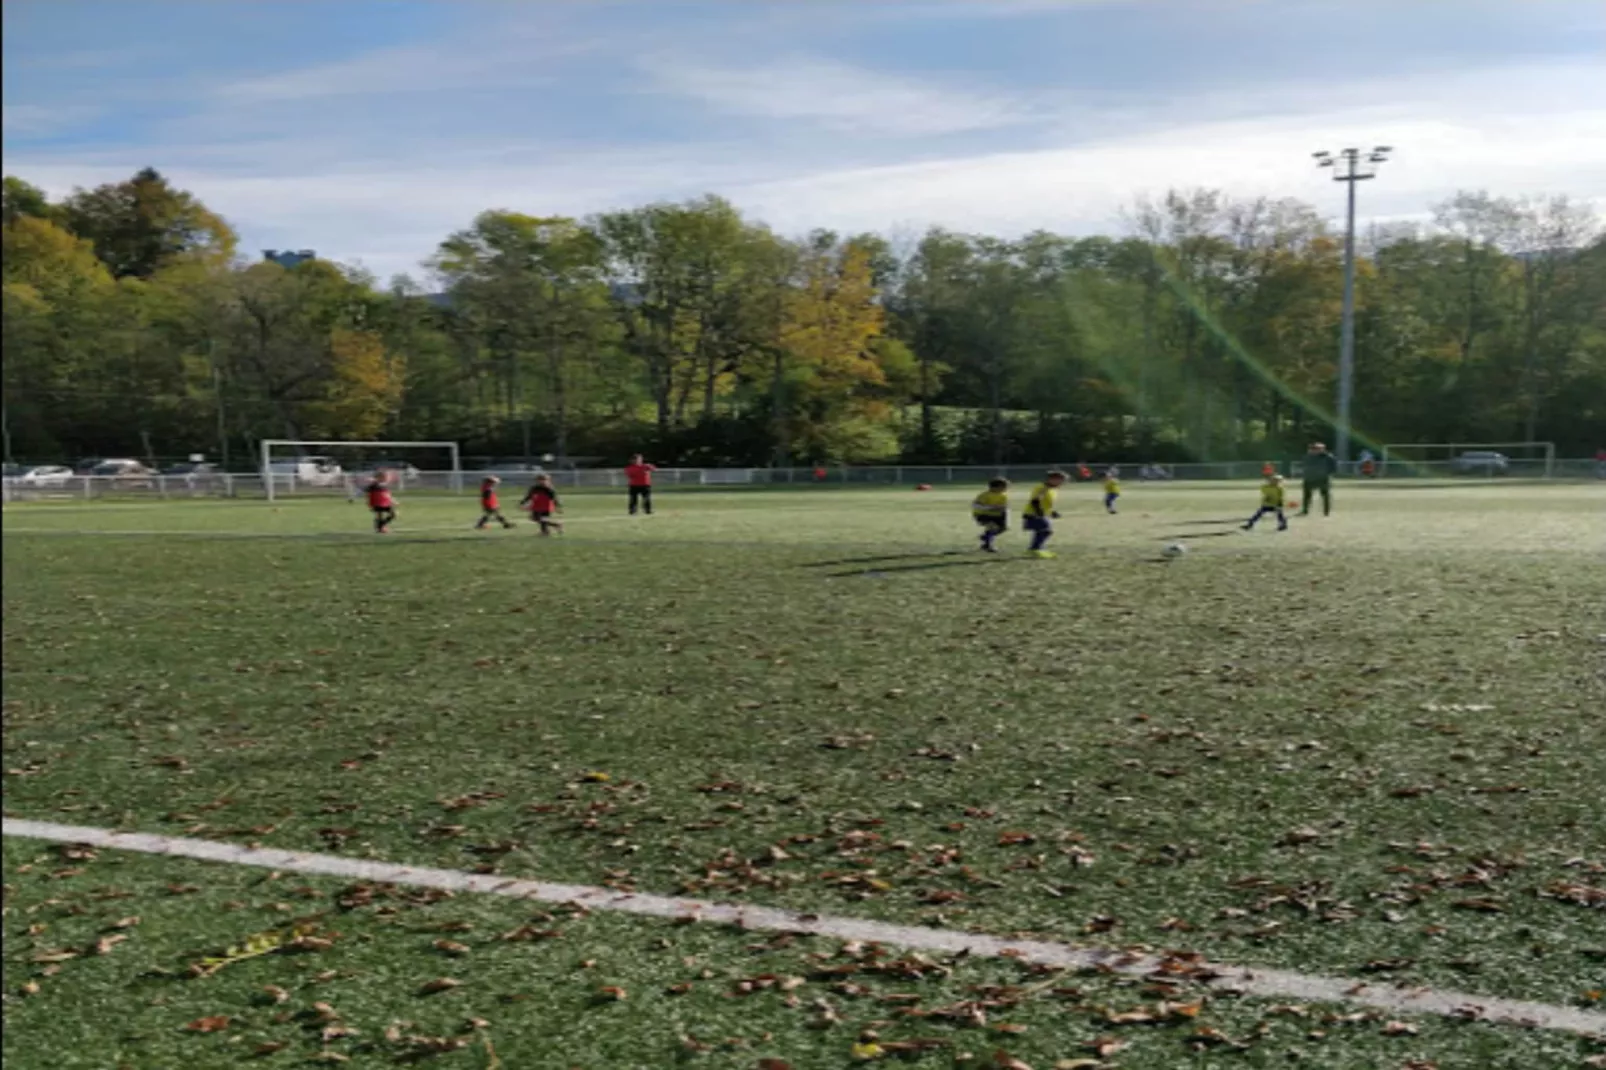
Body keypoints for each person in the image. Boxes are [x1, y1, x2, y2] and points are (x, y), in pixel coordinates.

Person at [1024, 470, 1068, 559]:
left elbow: (1046, 503)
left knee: (1042, 531)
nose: (1063, 483)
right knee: (1046, 531)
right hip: (1033, 513)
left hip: (1042, 514)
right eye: (1061, 480)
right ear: (1052, 479)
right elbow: (1035, 501)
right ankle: (1035, 549)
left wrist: (1052, 512)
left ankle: (1036, 549)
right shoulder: (1042, 487)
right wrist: (1039, 512)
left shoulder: (1053, 490)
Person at [971, 478, 1010, 553]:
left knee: (1003, 528)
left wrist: (1003, 509)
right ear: (995, 487)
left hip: (997, 516)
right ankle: (988, 545)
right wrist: (990, 507)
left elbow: (1004, 506)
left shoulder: (1003, 496)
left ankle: (985, 537)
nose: (1006, 489)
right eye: (1004, 487)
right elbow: (976, 505)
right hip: (983, 515)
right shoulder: (984, 495)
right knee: (992, 527)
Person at [1300, 441, 1337, 517]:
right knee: (1307, 495)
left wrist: (1327, 474)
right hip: (1309, 478)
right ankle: (1305, 510)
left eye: (1318, 448)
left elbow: (1333, 467)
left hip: (1323, 479)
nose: (1315, 450)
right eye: (1314, 448)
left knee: (1325, 495)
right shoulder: (1308, 456)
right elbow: (1305, 466)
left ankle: (1326, 511)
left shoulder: (1328, 457)